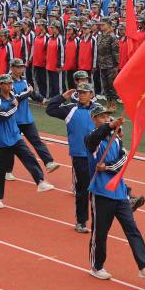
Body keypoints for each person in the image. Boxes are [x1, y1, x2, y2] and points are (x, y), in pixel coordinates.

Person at [84, 107, 145, 281]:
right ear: (94, 120)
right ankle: (97, 266)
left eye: (107, 116)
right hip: (101, 192)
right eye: (102, 117)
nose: (106, 119)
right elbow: (95, 137)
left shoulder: (116, 140)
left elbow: (123, 160)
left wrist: (108, 167)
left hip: (119, 192)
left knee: (132, 229)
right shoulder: (91, 139)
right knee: (100, 233)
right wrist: (110, 126)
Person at [0, 74, 54, 208]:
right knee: (0, 171)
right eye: (7, 83)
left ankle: (40, 181)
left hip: (15, 136)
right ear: (0, 85)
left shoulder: (14, 97)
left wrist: (29, 96)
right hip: (2, 140)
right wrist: (14, 107)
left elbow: (22, 97)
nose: (10, 86)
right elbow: (2, 115)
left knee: (29, 157)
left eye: (10, 83)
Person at [47, 81, 102, 232]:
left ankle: (106, 215)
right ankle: (81, 221)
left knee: (103, 186)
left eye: (85, 92)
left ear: (91, 94)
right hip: (80, 156)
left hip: (98, 155)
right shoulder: (70, 109)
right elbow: (50, 110)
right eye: (80, 93)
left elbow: (107, 125)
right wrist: (62, 97)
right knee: (83, 190)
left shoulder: (98, 110)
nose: (81, 95)